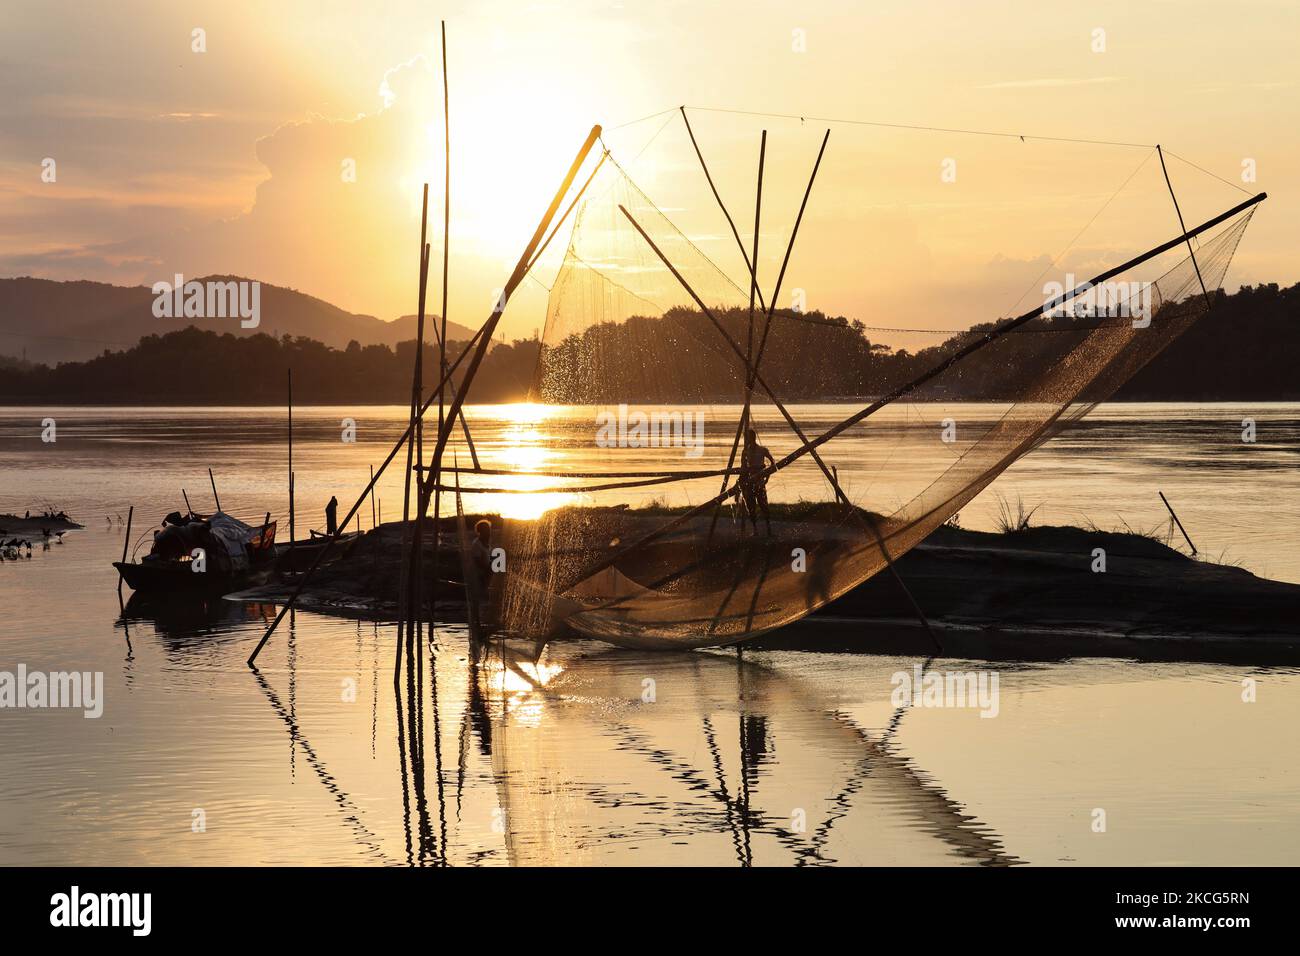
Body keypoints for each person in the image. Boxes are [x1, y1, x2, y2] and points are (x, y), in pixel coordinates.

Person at [739, 427, 774, 536]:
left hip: (759, 482)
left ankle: (768, 530)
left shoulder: (762, 450)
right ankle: (755, 530)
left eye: (747, 438)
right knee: (751, 507)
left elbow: (773, 464)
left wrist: (766, 479)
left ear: (752, 438)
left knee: (764, 506)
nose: (746, 440)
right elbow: (743, 469)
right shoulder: (745, 452)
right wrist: (741, 483)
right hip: (749, 483)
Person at [470, 519, 494, 595]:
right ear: (481, 531)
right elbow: (477, 561)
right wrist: (488, 569)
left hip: (486, 575)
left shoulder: (486, 543)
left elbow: (486, 558)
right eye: (487, 530)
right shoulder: (477, 544)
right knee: (481, 596)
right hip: (480, 576)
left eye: (489, 530)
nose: (489, 532)